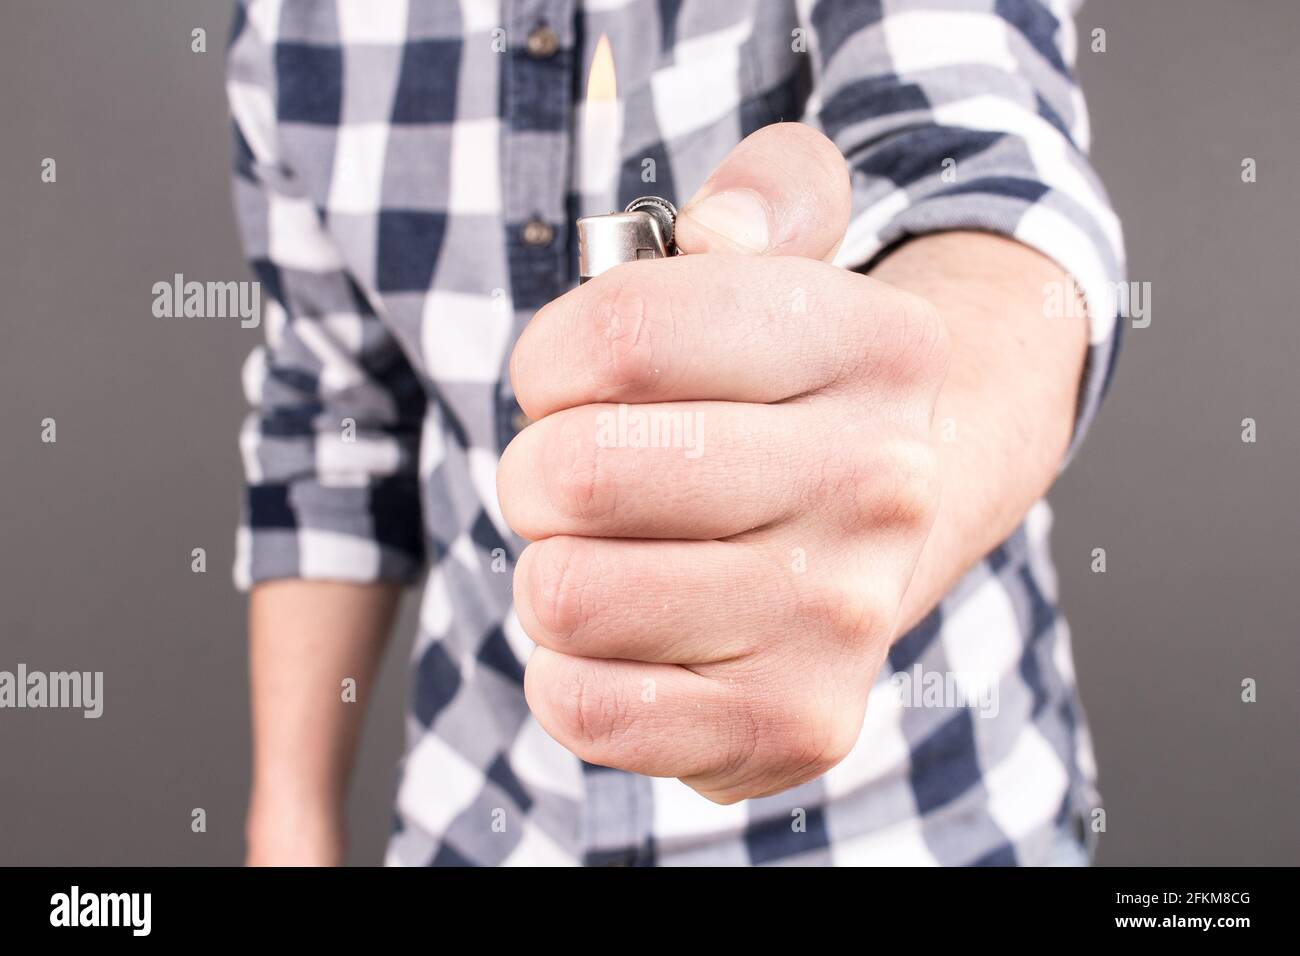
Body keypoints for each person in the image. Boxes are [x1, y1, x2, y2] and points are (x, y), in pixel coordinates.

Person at [228, 0, 1122, 866]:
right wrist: (289, 822)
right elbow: (334, 415)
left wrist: (919, 448)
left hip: (902, 824)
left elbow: (993, 189)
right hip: (484, 811)